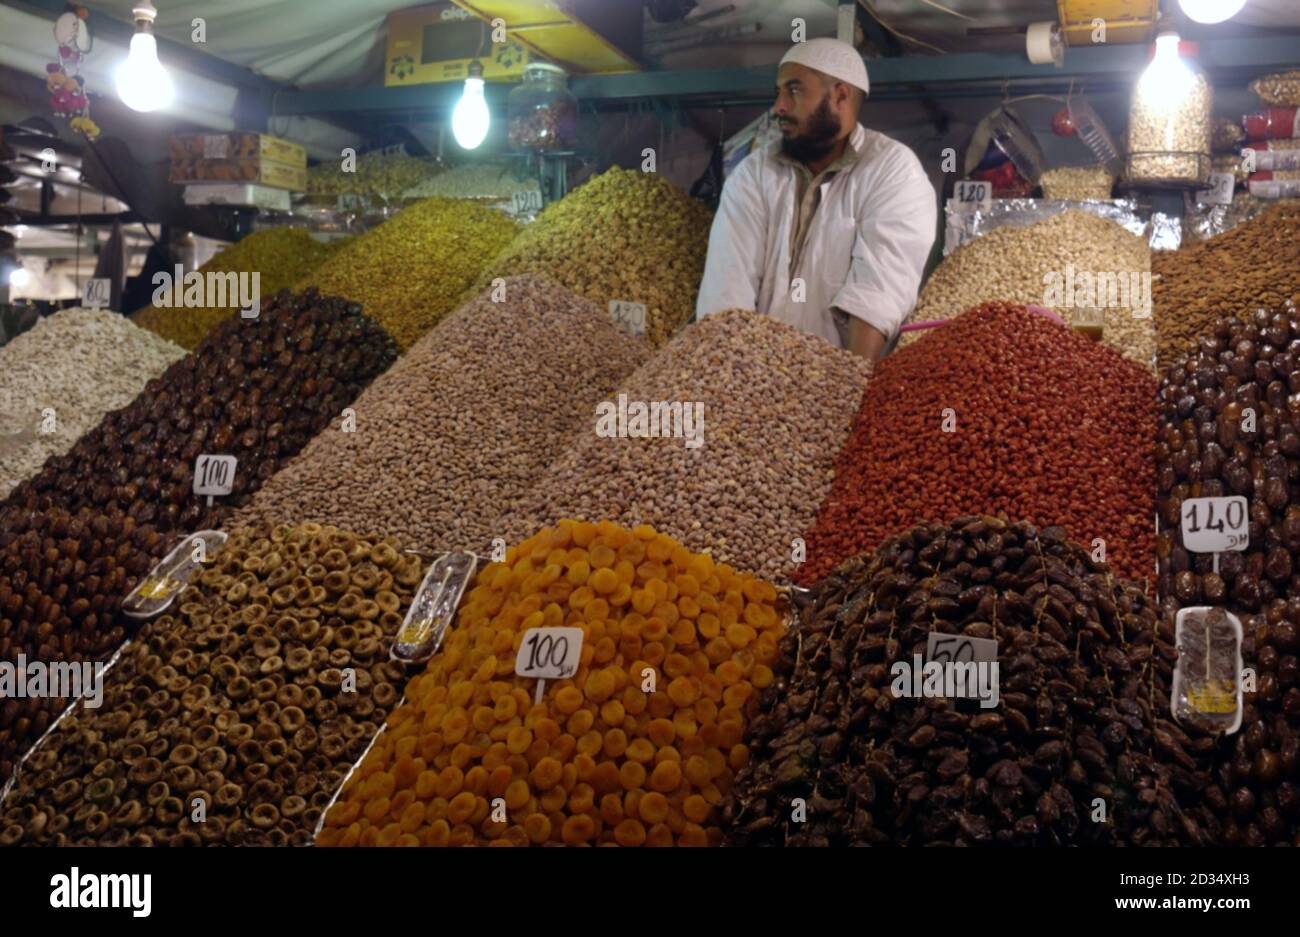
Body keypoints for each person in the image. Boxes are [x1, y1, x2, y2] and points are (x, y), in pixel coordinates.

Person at [695, 38, 936, 359]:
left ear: (840, 95)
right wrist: (728, 376)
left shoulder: (892, 169)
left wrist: (849, 388)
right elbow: (727, 285)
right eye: (779, 92)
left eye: (794, 90)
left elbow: (879, 291)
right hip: (752, 374)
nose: (779, 106)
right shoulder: (755, 172)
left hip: (845, 377)